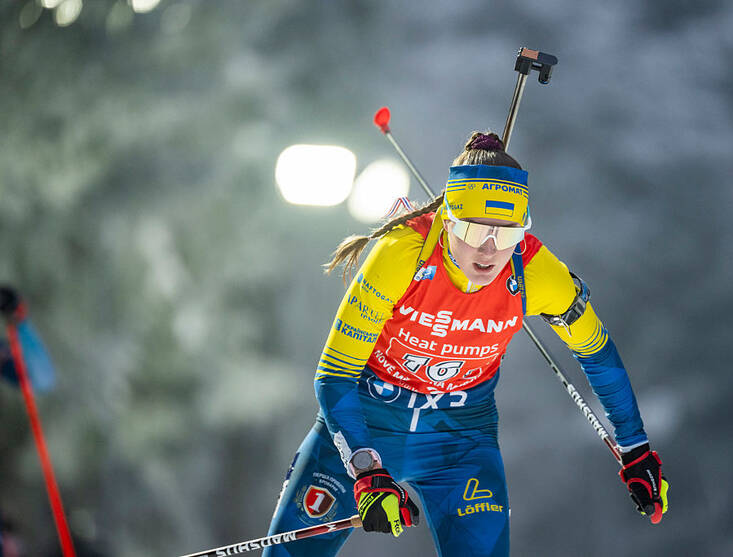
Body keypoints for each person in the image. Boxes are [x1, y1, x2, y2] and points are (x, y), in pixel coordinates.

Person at [263, 132, 669, 557]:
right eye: (475, 231)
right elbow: (334, 375)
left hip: (459, 443)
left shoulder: (535, 271)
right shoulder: (403, 253)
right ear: (449, 220)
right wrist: (366, 470)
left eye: (508, 234)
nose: (490, 250)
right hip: (367, 421)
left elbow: (597, 353)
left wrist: (635, 448)